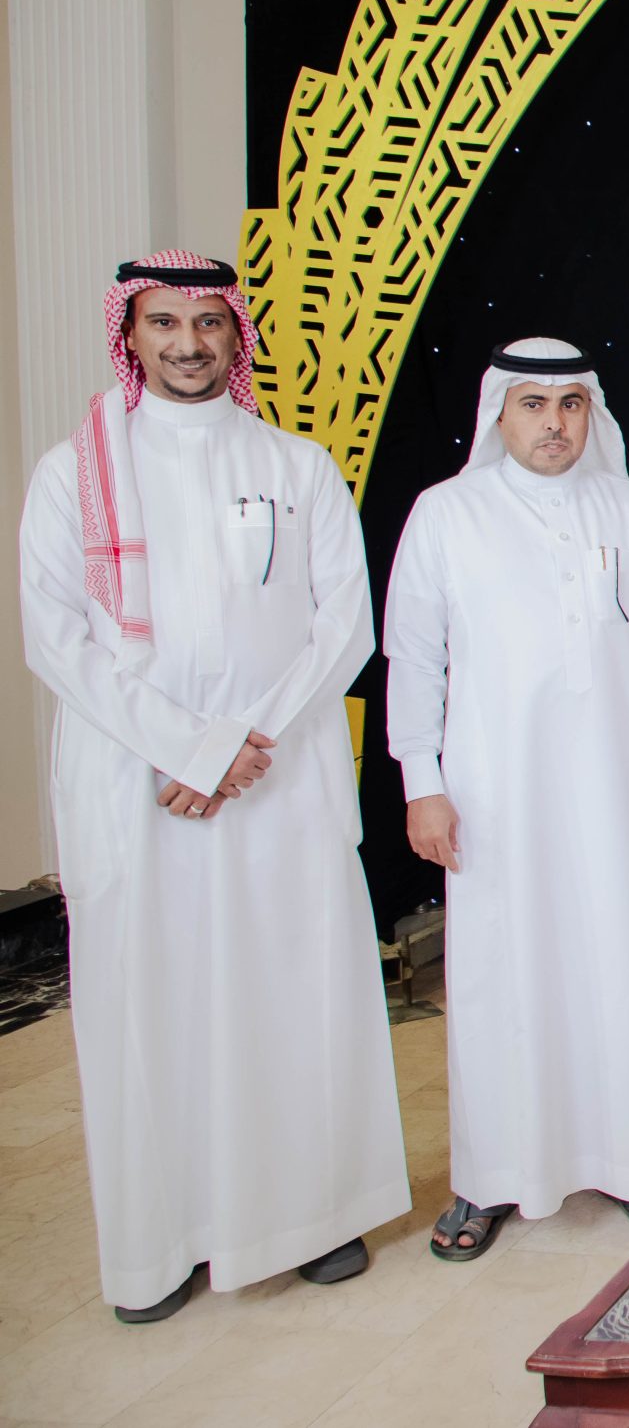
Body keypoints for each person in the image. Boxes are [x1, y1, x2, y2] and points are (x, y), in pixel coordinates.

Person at [18, 251, 405, 1322]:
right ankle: (163, 1242)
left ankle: (311, 1217)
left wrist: (243, 744)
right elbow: (56, 640)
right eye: (164, 323)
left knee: (291, 993)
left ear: (238, 334)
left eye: (207, 323)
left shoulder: (297, 465)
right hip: (136, 782)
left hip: (273, 776)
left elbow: (344, 625)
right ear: (129, 334)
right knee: (152, 1008)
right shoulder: (72, 475)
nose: (188, 344)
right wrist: (189, 749)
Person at [385, 339, 629, 1260]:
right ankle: (492, 1176)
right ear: (499, 412)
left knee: (623, 962)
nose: (554, 423)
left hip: (617, 790)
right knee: (502, 974)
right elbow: (414, 657)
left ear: (591, 412)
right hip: (494, 796)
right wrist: (422, 785)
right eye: (532, 403)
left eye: (570, 404)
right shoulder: (446, 513)